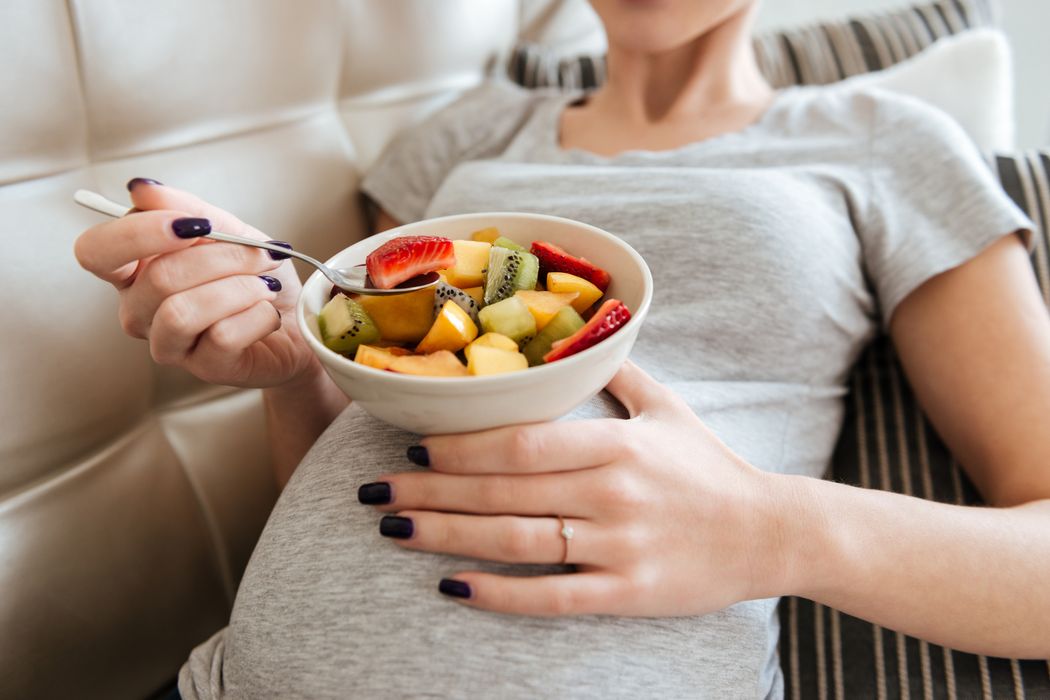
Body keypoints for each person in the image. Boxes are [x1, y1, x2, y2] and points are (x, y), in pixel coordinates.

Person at [74, 0, 1050, 697]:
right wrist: (293, 372)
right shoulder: (457, 138)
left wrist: (773, 529)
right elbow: (368, 431)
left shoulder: (888, 140)